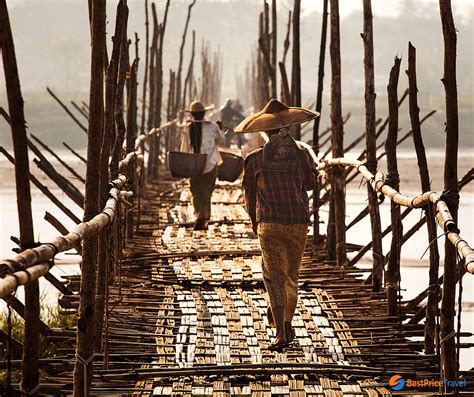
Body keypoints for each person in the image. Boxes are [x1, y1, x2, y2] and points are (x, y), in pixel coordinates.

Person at [236, 98, 319, 351]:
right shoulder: (302, 154)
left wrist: (254, 220)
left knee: (274, 277)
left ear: (265, 131)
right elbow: (310, 185)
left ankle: (281, 332)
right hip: (297, 222)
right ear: (288, 128)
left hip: (269, 223)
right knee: (291, 276)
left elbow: (249, 196)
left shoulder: (254, 158)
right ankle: (285, 321)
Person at [180, 100, 226, 230]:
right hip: (211, 165)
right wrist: (220, 129)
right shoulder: (213, 127)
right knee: (207, 192)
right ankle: (205, 217)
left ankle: (199, 213)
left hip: (194, 165)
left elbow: (184, 150)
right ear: (204, 113)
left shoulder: (188, 128)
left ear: (192, 115)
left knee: (195, 192)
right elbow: (222, 142)